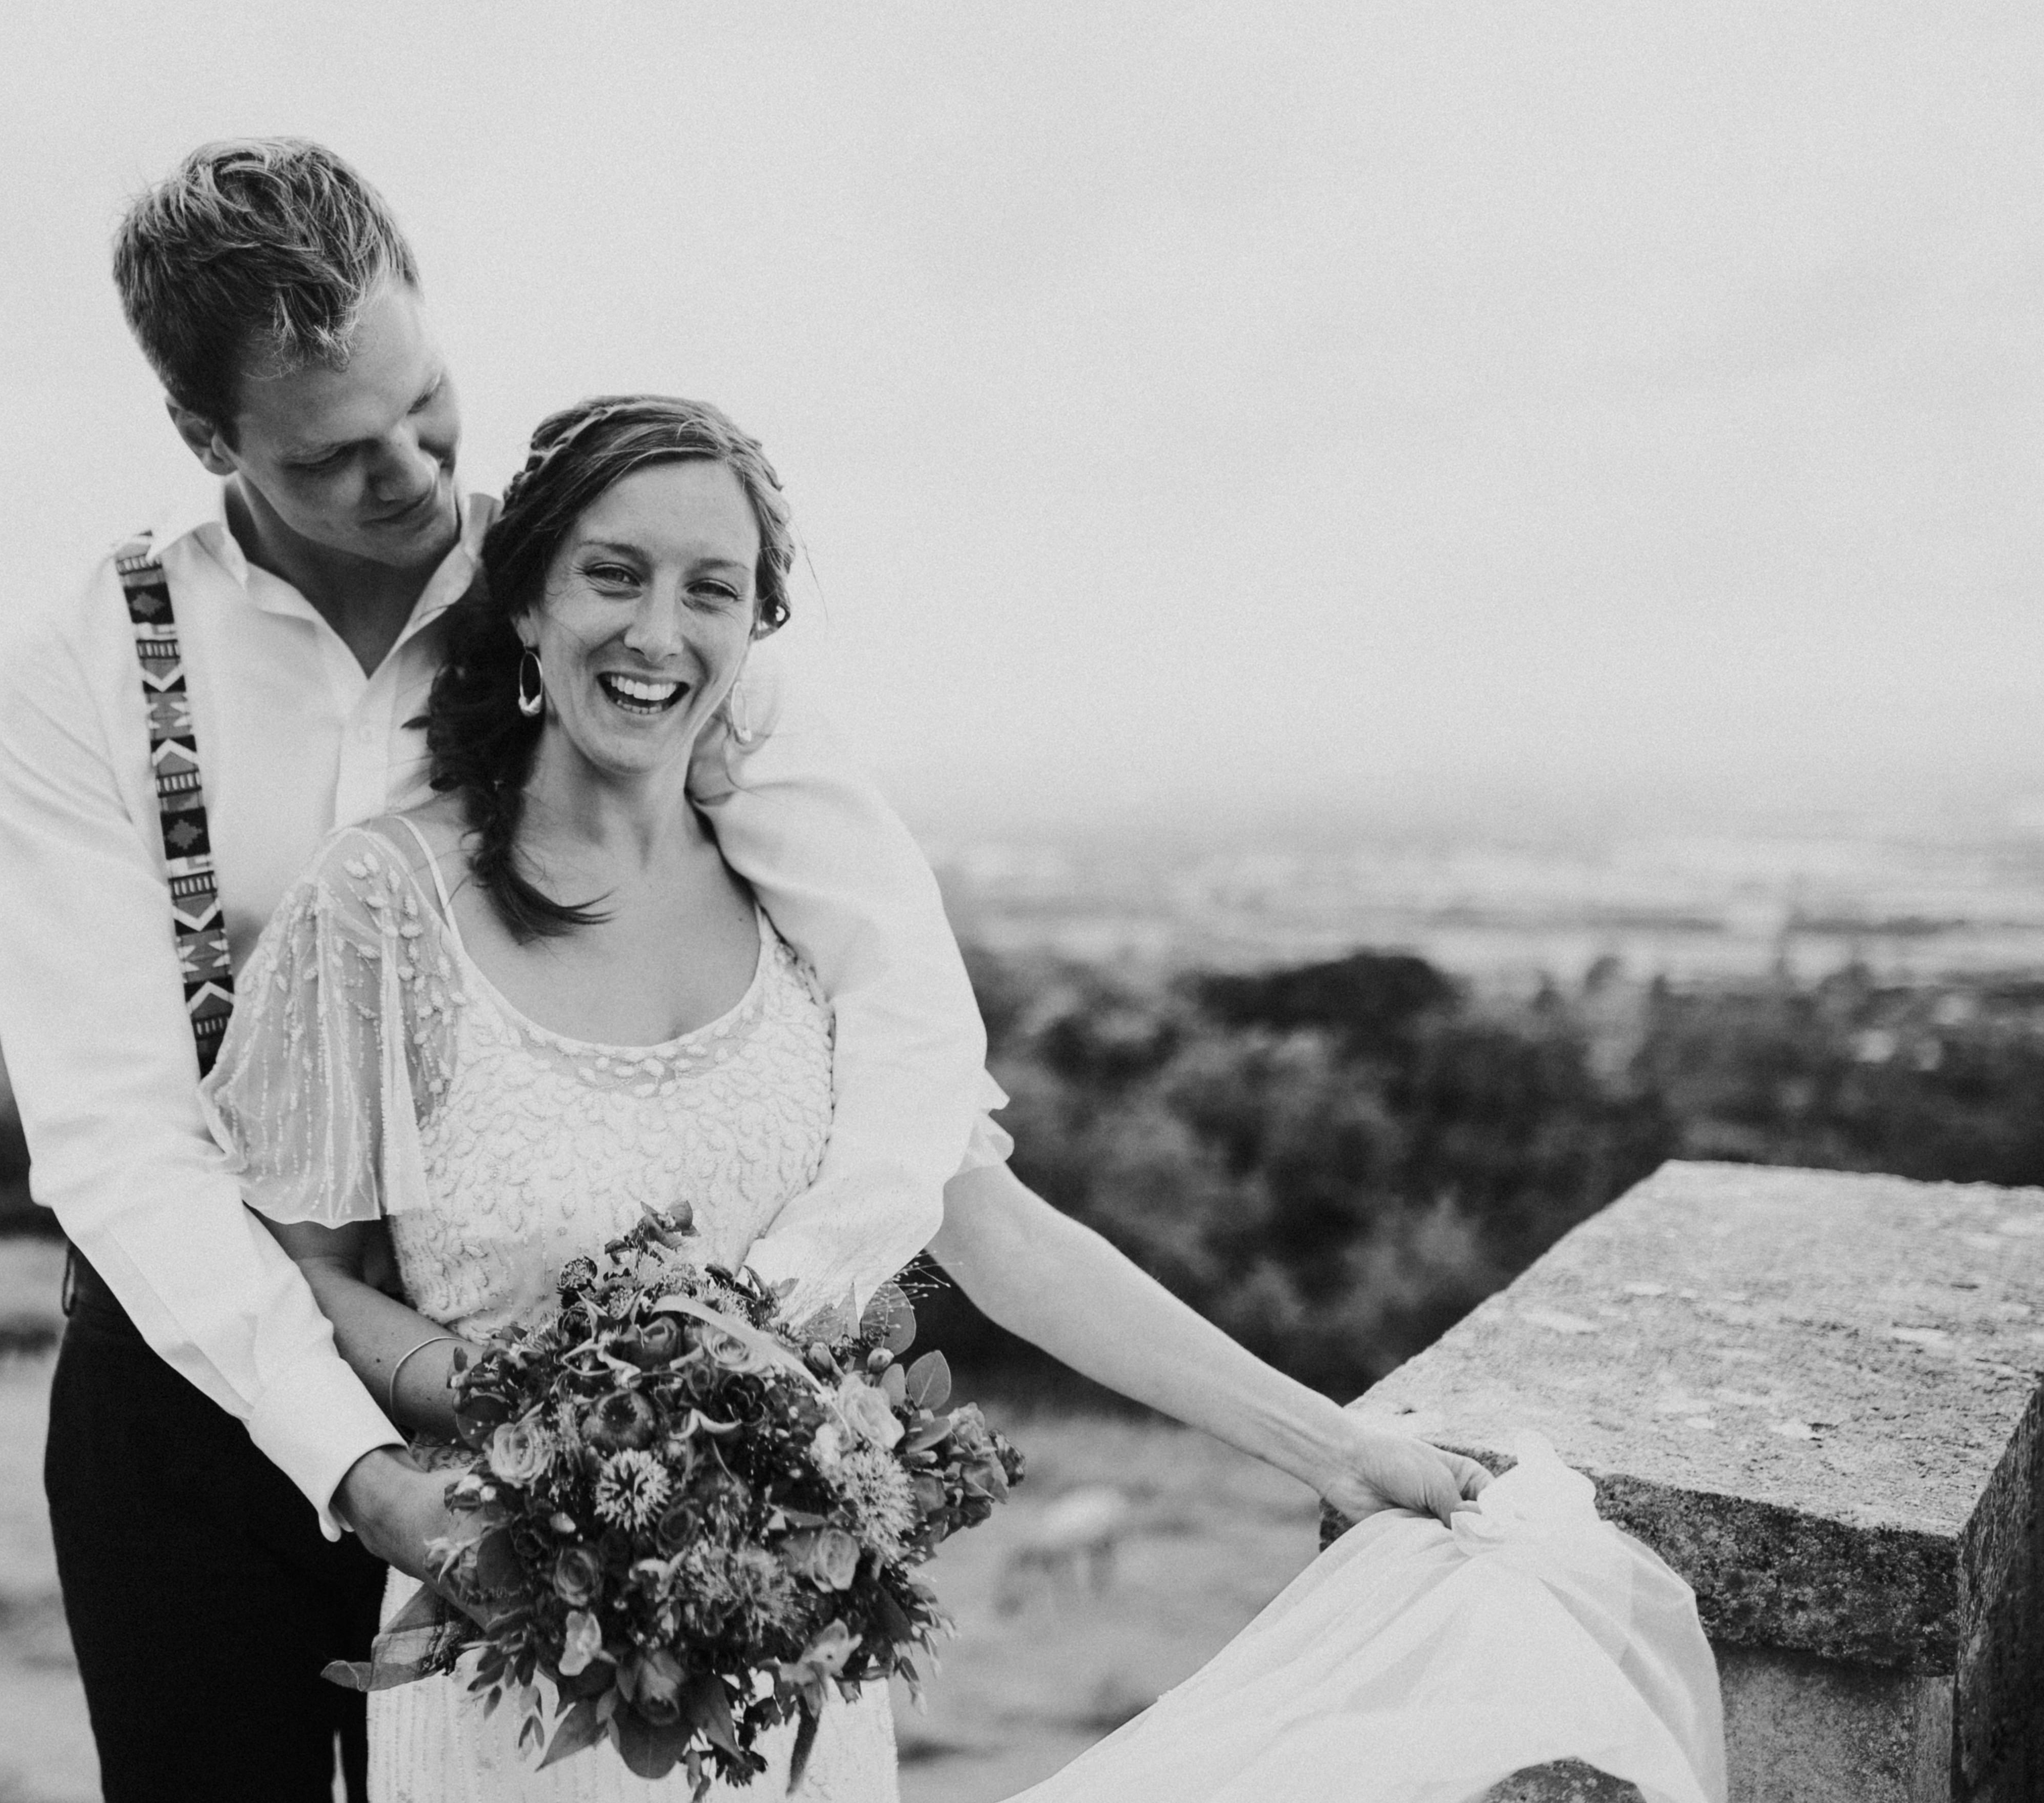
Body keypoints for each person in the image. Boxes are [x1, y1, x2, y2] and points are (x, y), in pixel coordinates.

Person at [208, 395, 1525, 1802]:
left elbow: (1000, 1239)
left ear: (754, 629)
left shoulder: (808, 914)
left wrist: (1335, 1446)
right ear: (525, 600)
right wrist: (562, 1423)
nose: (659, 631)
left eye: (712, 588)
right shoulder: (380, 904)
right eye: (614, 573)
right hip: (518, 1666)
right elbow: (294, 1277)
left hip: (792, 1693)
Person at [0, 140, 1003, 1803]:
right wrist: (356, 1463)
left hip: (538, 1390)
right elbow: (110, 1137)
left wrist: (758, 1335)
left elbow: (900, 993)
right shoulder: (75, 677)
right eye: (333, 454)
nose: (405, 474)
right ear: (206, 438)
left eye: (427, 407)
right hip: (190, 1379)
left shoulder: (602, 604)